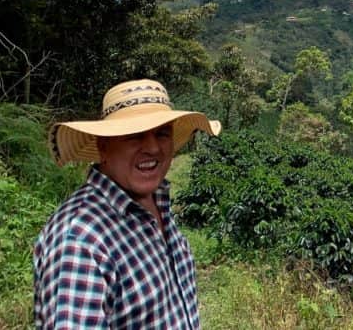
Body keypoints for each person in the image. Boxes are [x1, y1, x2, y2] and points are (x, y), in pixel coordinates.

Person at [33, 79, 221, 329]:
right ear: (103, 147)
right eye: (134, 136)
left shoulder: (155, 203)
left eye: (162, 133)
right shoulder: (81, 241)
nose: (153, 147)